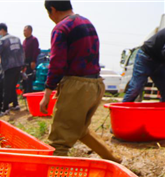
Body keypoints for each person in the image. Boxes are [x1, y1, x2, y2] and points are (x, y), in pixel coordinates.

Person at [40, 1, 120, 162]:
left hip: (77, 86)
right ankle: (114, 161)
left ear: (52, 10)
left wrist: (47, 93)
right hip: (96, 84)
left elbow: (57, 63)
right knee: (81, 130)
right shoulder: (86, 22)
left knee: (59, 141)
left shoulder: (61, 28)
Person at [0, 23, 24, 116]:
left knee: (7, 88)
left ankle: (5, 109)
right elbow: (22, 52)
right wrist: (22, 64)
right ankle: (15, 104)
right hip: (18, 65)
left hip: (9, 66)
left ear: (2, 30)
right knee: (13, 85)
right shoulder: (17, 39)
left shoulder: (3, 40)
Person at [122, 28, 165, 102]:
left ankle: (161, 113)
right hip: (145, 58)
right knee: (135, 88)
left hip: (160, 62)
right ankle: (121, 112)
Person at [22, 25, 40, 94]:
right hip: (24, 61)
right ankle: (24, 92)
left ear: (30, 31)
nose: (24, 32)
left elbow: (35, 51)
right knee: (24, 78)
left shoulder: (34, 39)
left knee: (29, 78)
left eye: (25, 30)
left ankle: (29, 93)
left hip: (30, 61)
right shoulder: (24, 41)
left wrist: (33, 61)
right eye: (23, 31)